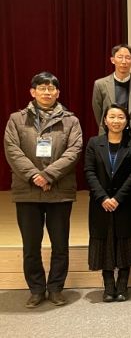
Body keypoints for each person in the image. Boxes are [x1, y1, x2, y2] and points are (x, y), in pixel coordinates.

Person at [3, 72, 83, 308]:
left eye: (51, 88)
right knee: (31, 246)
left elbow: (74, 151)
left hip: (59, 190)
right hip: (27, 190)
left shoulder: (71, 121)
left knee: (60, 245)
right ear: (33, 92)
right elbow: (12, 150)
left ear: (58, 93)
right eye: (42, 88)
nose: (47, 92)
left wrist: (48, 175)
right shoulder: (16, 119)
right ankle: (36, 289)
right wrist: (34, 176)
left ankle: (56, 288)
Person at [85, 104, 131, 302]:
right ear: (105, 120)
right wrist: (103, 197)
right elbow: (89, 171)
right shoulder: (94, 142)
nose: (116, 121)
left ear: (126, 122)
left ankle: (123, 285)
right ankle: (109, 286)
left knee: (125, 241)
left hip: (125, 201)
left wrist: (117, 198)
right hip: (100, 203)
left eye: (121, 117)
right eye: (112, 117)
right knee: (105, 241)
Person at [92, 44, 131, 137]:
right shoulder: (100, 84)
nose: (124, 61)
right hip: (108, 133)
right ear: (112, 60)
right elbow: (98, 112)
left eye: (128, 58)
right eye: (120, 57)